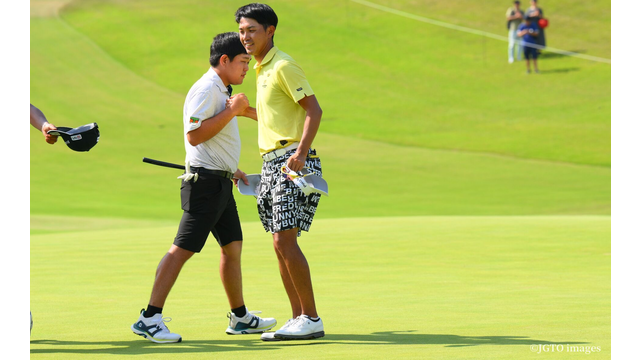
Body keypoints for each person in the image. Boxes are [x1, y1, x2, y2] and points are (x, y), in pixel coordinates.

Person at [131, 32, 276, 344]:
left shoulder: (221, 88)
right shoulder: (207, 88)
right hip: (204, 185)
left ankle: (240, 317)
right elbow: (194, 135)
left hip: (220, 180)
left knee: (232, 246)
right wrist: (234, 111)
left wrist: (229, 167)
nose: (246, 68)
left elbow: (213, 137)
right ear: (223, 60)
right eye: (242, 61)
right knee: (181, 250)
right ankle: (149, 317)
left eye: (248, 62)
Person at [234, 3, 325, 341]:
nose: (245, 37)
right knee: (278, 243)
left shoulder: (283, 65)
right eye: (242, 31)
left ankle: (311, 317)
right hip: (272, 163)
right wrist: (247, 115)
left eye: (251, 30)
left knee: (285, 241)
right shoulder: (259, 69)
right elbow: (275, 118)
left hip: (292, 161)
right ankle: (298, 316)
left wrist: (300, 153)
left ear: (270, 30)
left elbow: (313, 110)